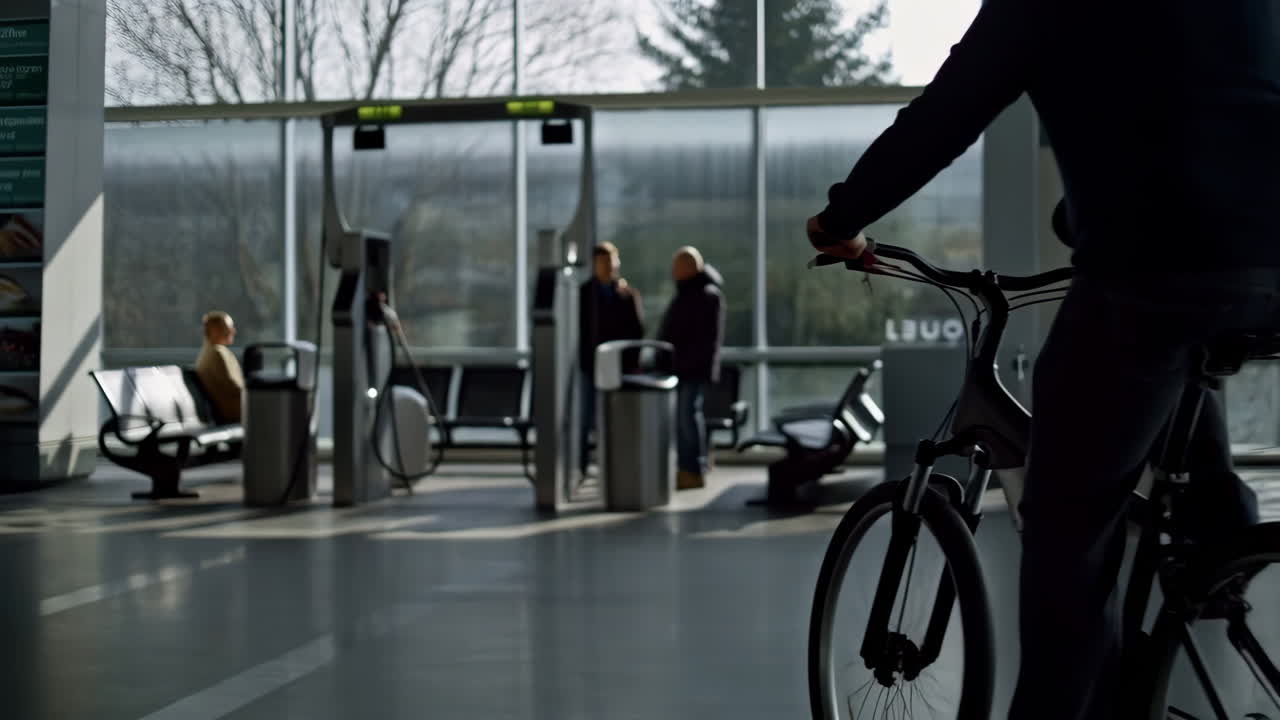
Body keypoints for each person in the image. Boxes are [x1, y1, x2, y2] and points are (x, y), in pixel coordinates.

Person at [804, 3, 1278, 718]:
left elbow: (943, 118)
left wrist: (842, 220)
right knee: (1179, 356)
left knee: (1069, 531)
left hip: (1151, 273)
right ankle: (1220, 545)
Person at [658, 247, 725, 491]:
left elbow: (696, 338)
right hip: (686, 367)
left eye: (677, 266)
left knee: (688, 419)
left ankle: (692, 468)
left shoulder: (703, 295)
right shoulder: (695, 293)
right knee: (686, 418)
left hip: (691, 368)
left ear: (688, 268)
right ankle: (691, 466)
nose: (673, 271)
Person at [579, 242, 645, 475]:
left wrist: (630, 363)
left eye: (611, 261)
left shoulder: (627, 295)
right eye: (603, 262)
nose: (608, 266)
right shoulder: (583, 295)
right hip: (590, 366)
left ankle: (617, 465)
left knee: (618, 419)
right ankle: (582, 465)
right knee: (586, 417)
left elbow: (637, 332)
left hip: (619, 367)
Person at [195, 311, 246, 424]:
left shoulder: (209, 353)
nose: (233, 331)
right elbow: (233, 387)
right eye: (228, 327)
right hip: (235, 413)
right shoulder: (217, 353)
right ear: (215, 330)